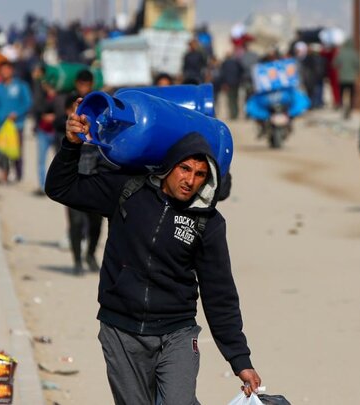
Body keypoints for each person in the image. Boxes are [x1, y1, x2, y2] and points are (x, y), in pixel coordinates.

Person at [45, 101, 261, 403]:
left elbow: (219, 292)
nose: (190, 180)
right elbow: (60, 188)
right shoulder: (127, 191)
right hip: (120, 330)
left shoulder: (208, 223)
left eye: (200, 173)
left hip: (177, 333)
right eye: (185, 168)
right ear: (169, 165)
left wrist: (240, 359)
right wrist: (70, 146)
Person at [53, 71, 103, 275]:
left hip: (95, 176)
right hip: (74, 178)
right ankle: (76, 261)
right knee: (75, 222)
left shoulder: (98, 108)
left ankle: (90, 254)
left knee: (96, 223)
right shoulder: (67, 126)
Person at [0, 61, 32, 182]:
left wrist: (17, 113)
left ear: (11, 70)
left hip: (17, 124)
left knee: (16, 150)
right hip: (0, 125)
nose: (4, 72)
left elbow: (27, 102)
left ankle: (18, 175)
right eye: (2, 70)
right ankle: (4, 174)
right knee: (1, 151)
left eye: (7, 69)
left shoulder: (21, 86)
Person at [31, 63, 58, 195]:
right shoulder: (41, 94)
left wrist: (55, 117)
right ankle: (43, 187)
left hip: (57, 131)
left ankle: (57, 186)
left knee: (58, 161)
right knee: (41, 160)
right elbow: (36, 106)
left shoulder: (61, 94)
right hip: (43, 130)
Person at [334, 39, 360, 119]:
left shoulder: (341, 53)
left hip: (342, 78)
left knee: (342, 94)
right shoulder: (354, 54)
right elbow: (358, 66)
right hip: (351, 79)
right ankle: (350, 109)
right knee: (351, 95)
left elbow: (335, 64)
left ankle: (342, 107)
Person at [219, 52, 245, 120]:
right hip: (236, 83)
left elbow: (222, 74)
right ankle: (235, 114)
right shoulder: (236, 62)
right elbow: (242, 70)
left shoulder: (224, 63)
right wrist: (239, 79)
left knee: (230, 99)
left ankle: (232, 114)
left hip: (228, 83)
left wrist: (223, 83)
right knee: (235, 98)